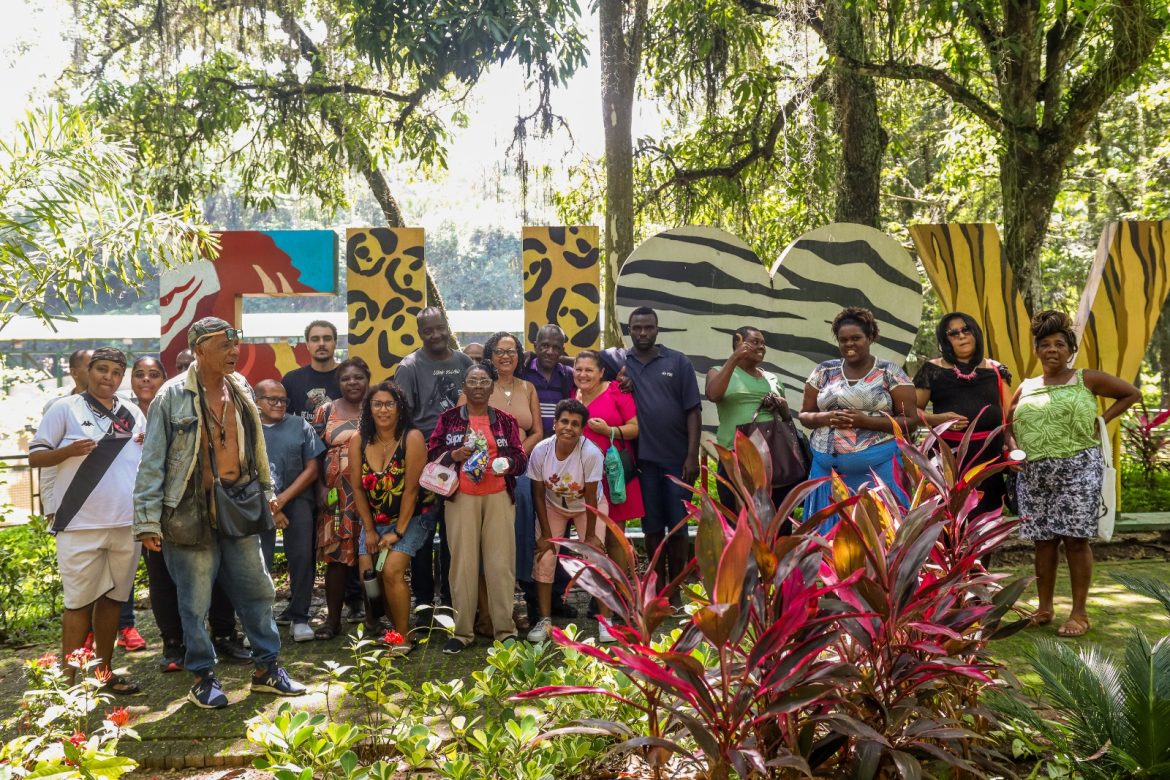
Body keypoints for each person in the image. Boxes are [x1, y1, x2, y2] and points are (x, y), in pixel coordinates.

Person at [133, 317, 305, 709]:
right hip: (188, 511)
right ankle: (202, 677)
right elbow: (151, 462)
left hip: (240, 503)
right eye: (223, 346)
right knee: (194, 602)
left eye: (234, 344)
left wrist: (266, 490)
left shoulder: (240, 386)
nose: (233, 352)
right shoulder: (170, 396)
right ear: (199, 350)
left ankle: (267, 669)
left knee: (258, 590)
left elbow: (256, 445)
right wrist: (146, 521)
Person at [1007, 310, 1139, 638]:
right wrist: (1012, 448)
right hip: (1034, 475)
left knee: (1076, 540)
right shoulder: (1026, 386)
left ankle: (1079, 613)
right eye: (1045, 344)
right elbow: (1008, 425)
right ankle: (1044, 608)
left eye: (1059, 344)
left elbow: (1131, 393)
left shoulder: (1085, 379)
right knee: (1043, 542)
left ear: (1070, 350)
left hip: (1078, 470)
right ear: (1037, 350)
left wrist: (1102, 420)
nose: (1052, 350)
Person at [29, 348, 145, 694]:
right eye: (101, 369)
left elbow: (143, 461)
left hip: (126, 523)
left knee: (113, 600)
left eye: (116, 372)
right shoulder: (64, 408)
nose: (108, 377)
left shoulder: (133, 412)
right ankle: (67, 686)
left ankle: (102, 675)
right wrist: (67, 451)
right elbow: (36, 456)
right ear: (87, 372)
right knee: (78, 604)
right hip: (79, 523)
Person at [600, 308, 701, 601]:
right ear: (629, 329)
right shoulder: (622, 363)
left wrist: (692, 455)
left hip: (677, 460)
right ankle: (656, 590)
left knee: (678, 527)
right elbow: (583, 364)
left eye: (648, 327)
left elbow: (693, 411)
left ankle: (676, 590)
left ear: (657, 329)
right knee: (653, 527)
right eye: (637, 328)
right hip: (643, 461)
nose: (643, 333)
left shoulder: (678, 361)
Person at [428, 363, 528, 654]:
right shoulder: (449, 419)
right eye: (472, 381)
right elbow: (432, 453)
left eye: (484, 381)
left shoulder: (505, 420)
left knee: (501, 564)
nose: (479, 386)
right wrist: (454, 454)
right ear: (464, 386)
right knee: (462, 565)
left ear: (492, 386)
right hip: (461, 498)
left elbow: (520, 458)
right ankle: (462, 632)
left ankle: (505, 630)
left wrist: (508, 463)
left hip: (498, 496)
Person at [799, 307, 917, 526]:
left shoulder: (889, 372)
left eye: (856, 338)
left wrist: (866, 422)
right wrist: (825, 418)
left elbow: (911, 421)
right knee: (828, 538)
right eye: (843, 340)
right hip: (826, 473)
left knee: (878, 534)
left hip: (877, 473)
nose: (849, 344)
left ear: (870, 337)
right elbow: (805, 415)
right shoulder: (824, 371)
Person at [396, 307, 473, 623]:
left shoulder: (464, 363)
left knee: (455, 537)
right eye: (428, 330)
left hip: (463, 463)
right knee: (423, 537)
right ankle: (424, 607)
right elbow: (402, 419)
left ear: (446, 327)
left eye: (440, 328)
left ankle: (454, 602)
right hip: (426, 466)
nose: (436, 335)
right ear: (420, 333)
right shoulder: (410, 367)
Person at [463, 332, 542, 636]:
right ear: (490, 356)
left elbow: (537, 431)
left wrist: (515, 456)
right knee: (486, 545)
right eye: (499, 351)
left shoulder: (528, 388)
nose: (505, 356)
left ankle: (511, 607)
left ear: (519, 355)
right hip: (483, 473)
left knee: (516, 541)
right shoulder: (480, 385)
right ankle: (486, 613)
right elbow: (461, 425)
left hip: (518, 471)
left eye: (511, 351)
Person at [350, 381, 437, 654]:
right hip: (375, 519)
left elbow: (412, 490)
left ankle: (403, 638)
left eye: (390, 404)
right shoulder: (359, 440)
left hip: (413, 517)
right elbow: (357, 488)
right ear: (369, 409)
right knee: (369, 575)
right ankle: (393, 630)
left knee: (391, 570)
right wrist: (370, 530)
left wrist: (397, 533)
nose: (383, 409)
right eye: (377, 404)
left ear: (400, 408)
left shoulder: (412, 437)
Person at [914, 312, 1013, 517]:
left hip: (988, 458)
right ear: (945, 340)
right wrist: (938, 420)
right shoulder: (932, 370)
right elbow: (909, 410)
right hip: (948, 458)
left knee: (986, 520)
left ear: (975, 333)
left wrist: (1012, 446)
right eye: (953, 333)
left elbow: (1010, 414)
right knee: (947, 519)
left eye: (966, 330)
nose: (961, 336)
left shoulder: (996, 369)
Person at [526, 400, 609, 643]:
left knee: (596, 558)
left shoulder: (591, 453)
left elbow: (591, 497)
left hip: (587, 507)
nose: (569, 428)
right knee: (545, 557)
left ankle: (606, 622)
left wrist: (591, 537)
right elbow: (538, 495)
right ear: (555, 423)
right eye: (564, 421)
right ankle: (544, 620)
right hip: (553, 505)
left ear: (582, 429)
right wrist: (546, 536)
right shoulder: (541, 451)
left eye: (575, 424)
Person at [255, 379, 324, 643]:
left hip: (297, 499)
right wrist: (272, 506)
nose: (279, 404)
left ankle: (300, 617)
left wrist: (282, 500)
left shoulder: (299, 425)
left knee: (302, 557)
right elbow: (243, 471)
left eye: (283, 399)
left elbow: (312, 470)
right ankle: (260, 622)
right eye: (271, 399)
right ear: (257, 402)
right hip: (257, 502)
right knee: (259, 561)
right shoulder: (247, 428)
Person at [517, 324, 579, 619]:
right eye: (544, 346)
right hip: (531, 460)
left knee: (560, 532)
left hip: (561, 461)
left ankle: (557, 596)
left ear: (563, 349)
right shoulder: (522, 372)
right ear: (535, 345)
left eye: (556, 347)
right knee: (534, 530)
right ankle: (532, 598)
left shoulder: (568, 375)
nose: (550, 351)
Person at [705, 326, 800, 510]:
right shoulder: (718, 371)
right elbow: (713, 394)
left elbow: (785, 420)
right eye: (755, 342)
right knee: (737, 514)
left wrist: (783, 408)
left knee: (776, 515)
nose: (761, 347)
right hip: (735, 457)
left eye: (763, 343)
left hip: (773, 458)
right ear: (738, 342)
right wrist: (735, 358)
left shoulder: (772, 378)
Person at [312, 358, 371, 640]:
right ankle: (332, 620)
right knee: (335, 559)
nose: (352, 382)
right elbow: (313, 454)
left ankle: (374, 620)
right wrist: (320, 488)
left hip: (371, 495)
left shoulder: (377, 408)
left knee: (371, 559)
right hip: (336, 498)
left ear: (367, 379)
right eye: (346, 378)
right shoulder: (326, 411)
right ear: (339, 383)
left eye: (358, 377)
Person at [572, 350, 641, 579]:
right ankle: (599, 590)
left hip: (614, 475)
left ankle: (620, 590)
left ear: (601, 372)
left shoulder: (616, 391)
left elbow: (635, 428)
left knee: (614, 535)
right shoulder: (574, 395)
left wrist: (609, 430)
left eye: (589, 370)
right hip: (585, 478)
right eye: (578, 369)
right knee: (591, 536)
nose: (583, 374)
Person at [282, 320, 341, 420]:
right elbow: (281, 420)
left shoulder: (350, 378)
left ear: (335, 343)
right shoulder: (291, 379)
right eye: (315, 339)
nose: (321, 344)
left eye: (327, 339)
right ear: (307, 344)